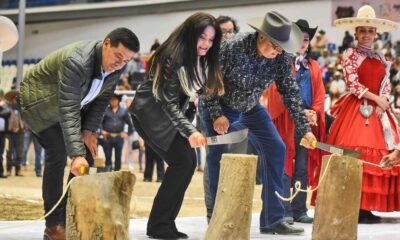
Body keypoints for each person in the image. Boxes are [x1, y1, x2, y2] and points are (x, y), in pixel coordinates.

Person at [199, 11, 316, 235]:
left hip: (250, 106)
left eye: (281, 48)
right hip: (220, 106)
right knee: (217, 155)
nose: (277, 52)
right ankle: (215, 215)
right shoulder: (231, 47)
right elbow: (208, 82)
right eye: (275, 47)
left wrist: (305, 130)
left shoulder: (280, 56)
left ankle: (273, 219)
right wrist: (216, 114)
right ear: (262, 37)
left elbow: (290, 94)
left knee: (276, 147)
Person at [19, 28, 139, 239]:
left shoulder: (117, 67)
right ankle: (53, 225)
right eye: (118, 56)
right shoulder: (77, 62)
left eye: (126, 60)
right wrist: (75, 153)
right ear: (107, 43)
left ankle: (72, 215)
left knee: (89, 152)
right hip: (39, 105)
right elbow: (68, 108)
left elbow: (101, 100)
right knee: (58, 153)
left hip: (71, 106)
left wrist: (89, 131)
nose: (120, 64)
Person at [129, 12, 224, 239]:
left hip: (166, 116)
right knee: (183, 161)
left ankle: (162, 224)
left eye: (211, 40)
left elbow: (198, 93)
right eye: (202, 38)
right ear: (191, 34)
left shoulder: (199, 58)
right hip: (150, 115)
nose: (206, 44)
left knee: (186, 162)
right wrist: (190, 130)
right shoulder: (173, 55)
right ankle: (159, 225)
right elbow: (167, 102)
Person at [327, 5, 400, 223]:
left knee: (380, 150)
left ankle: (366, 206)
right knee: (357, 151)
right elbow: (353, 84)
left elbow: (386, 82)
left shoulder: (380, 56)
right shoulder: (349, 54)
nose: (367, 35)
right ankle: (355, 206)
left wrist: (384, 100)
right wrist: (377, 99)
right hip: (358, 107)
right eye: (363, 31)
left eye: (371, 31)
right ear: (356, 32)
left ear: (375, 34)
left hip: (379, 107)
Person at [267, 19, 325, 224]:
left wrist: (314, 113)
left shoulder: (314, 66)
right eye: (299, 38)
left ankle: (299, 209)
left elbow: (319, 95)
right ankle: (283, 209)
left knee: (302, 166)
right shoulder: (280, 62)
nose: (303, 42)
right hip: (285, 122)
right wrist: (298, 111)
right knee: (283, 165)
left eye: (306, 39)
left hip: (305, 125)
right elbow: (275, 92)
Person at [101, 94, 134, 171]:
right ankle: (108, 170)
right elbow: (100, 123)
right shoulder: (105, 110)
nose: (113, 101)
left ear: (118, 101)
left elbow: (130, 123)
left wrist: (127, 133)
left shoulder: (123, 111)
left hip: (119, 136)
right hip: (107, 136)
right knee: (108, 155)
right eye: (111, 100)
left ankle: (117, 171)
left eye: (115, 100)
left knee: (118, 155)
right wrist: (102, 131)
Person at [0, 89, 10, 178]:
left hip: (2, 133)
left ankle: (1, 172)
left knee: (1, 153)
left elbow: (7, 113)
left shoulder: (5, 105)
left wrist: (2, 107)